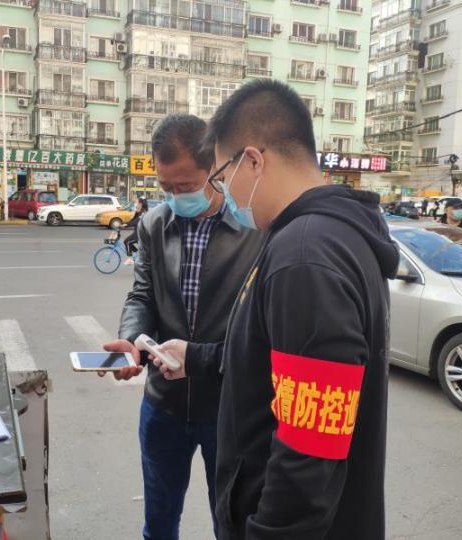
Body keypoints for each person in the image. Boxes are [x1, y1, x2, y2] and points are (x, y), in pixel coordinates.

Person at [154, 80, 399, 539]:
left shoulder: (305, 255)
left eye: (222, 177)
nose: (223, 192)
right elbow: (275, 359)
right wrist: (196, 357)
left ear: (252, 160)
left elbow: (310, 449)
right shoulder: (324, 237)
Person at [101, 114, 262, 540]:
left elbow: (260, 324)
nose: (175, 196)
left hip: (227, 408)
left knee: (231, 522)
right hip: (164, 405)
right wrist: (132, 341)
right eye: (165, 187)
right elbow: (142, 295)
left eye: (186, 185)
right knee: (159, 522)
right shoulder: (155, 224)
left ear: (213, 170)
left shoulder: (252, 230)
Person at [123, 197, 148, 265]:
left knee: (127, 242)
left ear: (141, 204)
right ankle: (138, 255)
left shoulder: (144, 212)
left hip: (141, 234)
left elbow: (136, 221)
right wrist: (125, 224)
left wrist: (127, 225)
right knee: (128, 242)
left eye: (138, 203)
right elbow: (133, 219)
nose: (136, 204)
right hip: (137, 233)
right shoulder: (139, 211)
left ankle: (130, 259)